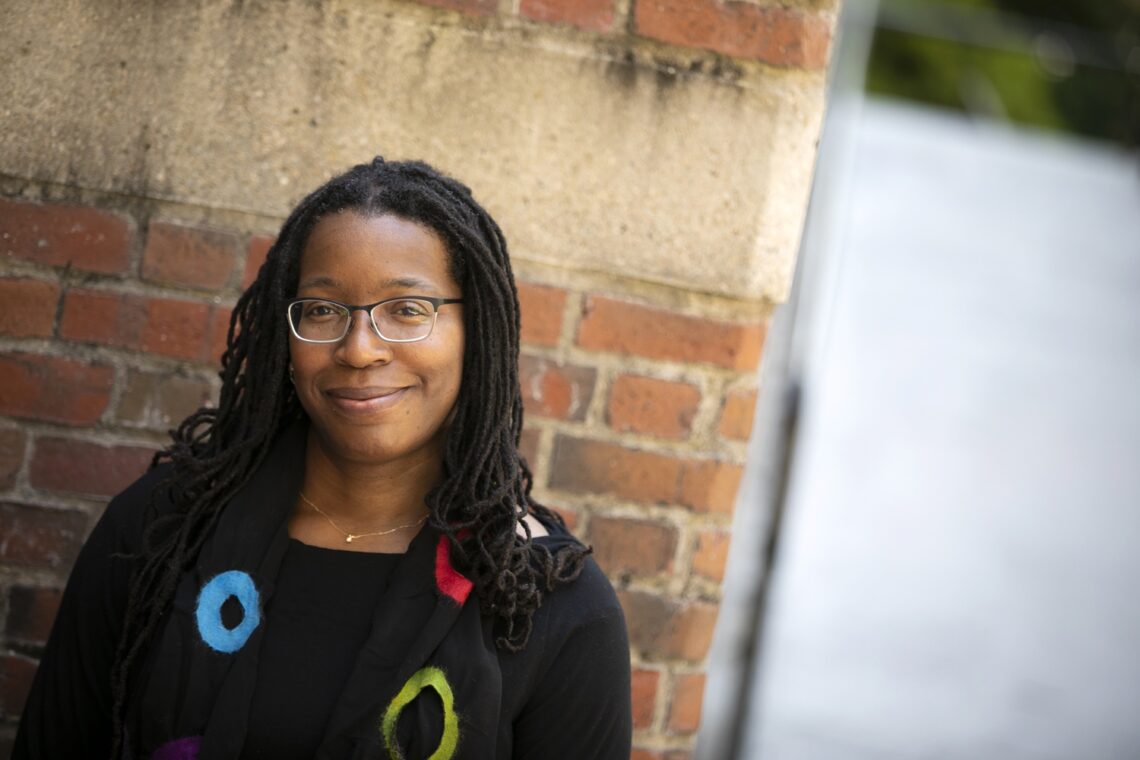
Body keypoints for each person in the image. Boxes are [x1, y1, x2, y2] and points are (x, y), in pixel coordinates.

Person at [14, 158, 632, 759]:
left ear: (480, 334)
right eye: (322, 310)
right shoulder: (160, 532)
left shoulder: (549, 606)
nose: (359, 349)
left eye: (407, 309)